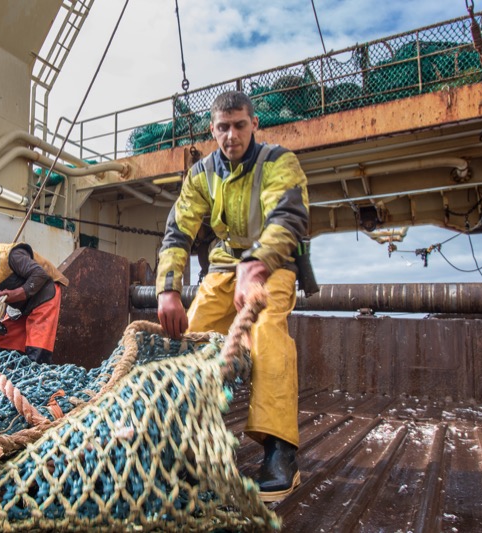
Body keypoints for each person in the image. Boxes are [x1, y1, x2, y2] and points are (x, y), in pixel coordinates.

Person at [155, 90, 309, 502]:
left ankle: (280, 454)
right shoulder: (201, 173)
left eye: (240, 125)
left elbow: (288, 217)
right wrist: (169, 289)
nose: (231, 135)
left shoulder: (278, 162)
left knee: (268, 335)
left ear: (254, 124)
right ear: (212, 130)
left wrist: (256, 264)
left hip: (272, 266)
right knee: (193, 342)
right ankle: (187, 442)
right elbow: (177, 232)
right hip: (223, 269)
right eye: (223, 127)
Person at [0, 238, 69, 364]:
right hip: (20, 305)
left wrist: (17, 293)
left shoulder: (11, 256)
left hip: (43, 296)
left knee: (37, 349)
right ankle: (10, 373)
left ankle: (36, 376)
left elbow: (39, 275)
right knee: (4, 344)